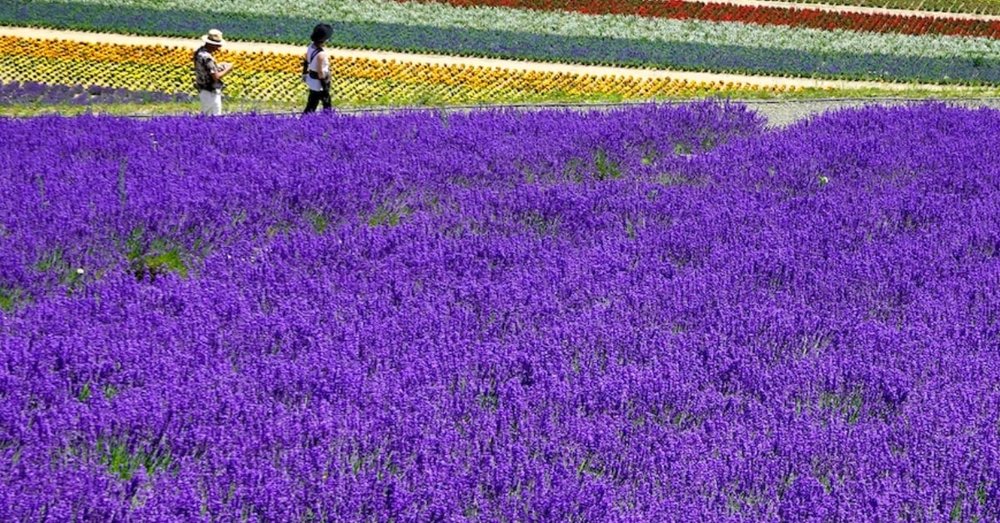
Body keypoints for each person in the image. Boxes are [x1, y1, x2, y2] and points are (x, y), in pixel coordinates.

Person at [193, 29, 234, 116]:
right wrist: (228, 68)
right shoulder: (207, 58)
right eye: (217, 45)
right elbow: (216, 77)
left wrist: (218, 66)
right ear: (211, 44)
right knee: (214, 115)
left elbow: (205, 69)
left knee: (207, 114)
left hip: (202, 88)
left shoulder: (199, 52)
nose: (218, 48)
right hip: (210, 90)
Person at [303, 24, 333, 114]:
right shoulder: (321, 54)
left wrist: (304, 73)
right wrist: (325, 88)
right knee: (324, 103)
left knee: (312, 102)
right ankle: (328, 119)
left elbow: (305, 60)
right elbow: (320, 72)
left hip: (311, 79)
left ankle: (305, 120)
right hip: (319, 83)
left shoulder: (311, 46)